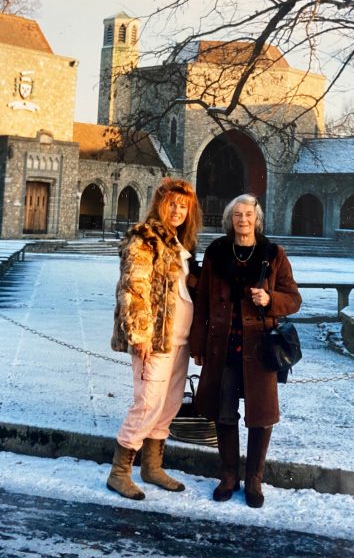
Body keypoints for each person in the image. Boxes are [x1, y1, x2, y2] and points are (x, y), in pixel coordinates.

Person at [189, 194, 301, 508]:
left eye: (248, 214)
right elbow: (203, 303)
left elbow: (293, 298)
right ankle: (228, 476)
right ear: (230, 220)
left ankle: (253, 478)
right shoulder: (216, 252)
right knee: (224, 413)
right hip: (224, 347)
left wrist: (270, 300)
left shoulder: (273, 254)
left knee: (260, 416)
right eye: (237, 214)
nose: (243, 220)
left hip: (259, 350)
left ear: (257, 219)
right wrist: (198, 344)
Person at [107, 178, 202, 500]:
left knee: (169, 405)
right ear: (161, 205)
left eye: (183, 206)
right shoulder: (144, 238)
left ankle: (152, 466)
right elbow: (134, 287)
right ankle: (119, 472)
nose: (177, 210)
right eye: (172, 204)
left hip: (181, 340)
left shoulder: (179, 242)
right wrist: (139, 334)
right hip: (155, 339)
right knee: (147, 403)